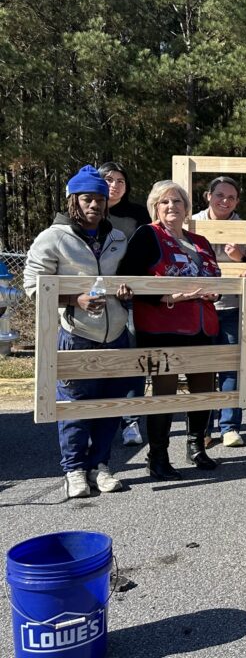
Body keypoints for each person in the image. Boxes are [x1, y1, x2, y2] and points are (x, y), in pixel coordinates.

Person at [24, 166, 136, 498]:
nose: (95, 205)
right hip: (76, 333)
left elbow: (123, 280)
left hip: (115, 333)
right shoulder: (53, 238)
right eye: (88, 198)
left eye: (100, 199)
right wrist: (76, 299)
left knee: (111, 404)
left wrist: (125, 292)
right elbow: (33, 286)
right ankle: (74, 470)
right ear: (73, 200)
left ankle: (100, 465)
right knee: (75, 405)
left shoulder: (117, 237)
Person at [118, 180, 222, 480]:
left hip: (202, 326)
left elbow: (215, 275)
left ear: (187, 209)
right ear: (155, 207)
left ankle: (196, 445)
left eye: (177, 201)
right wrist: (167, 297)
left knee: (203, 388)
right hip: (163, 326)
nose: (171, 206)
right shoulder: (147, 235)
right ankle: (158, 455)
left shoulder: (200, 241)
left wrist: (215, 291)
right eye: (165, 202)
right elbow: (128, 278)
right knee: (165, 392)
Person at [192, 175, 246, 447]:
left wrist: (242, 259)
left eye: (231, 197)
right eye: (219, 195)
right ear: (208, 196)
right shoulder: (192, 222)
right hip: (199, 306)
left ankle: (230, 427)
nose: (225, 201)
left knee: (232, 369)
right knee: (202, 369)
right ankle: (202, 429)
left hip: (234, 306)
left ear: (237, 201)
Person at [98, 161, 150, 447]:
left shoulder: (138, 215)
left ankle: (131, 421)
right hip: (92, 298)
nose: (114, 185)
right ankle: (99, 418)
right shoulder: (86, 211)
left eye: (120, 180)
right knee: (101, 362)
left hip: (129, 296)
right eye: (108, 179)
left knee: (132, 359)